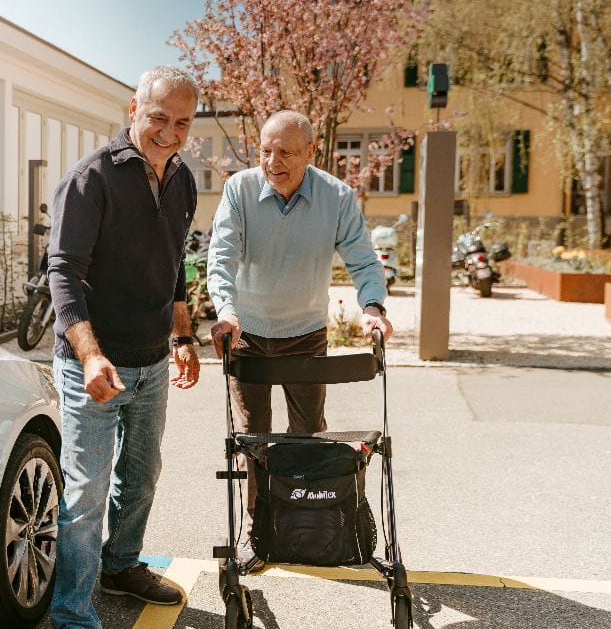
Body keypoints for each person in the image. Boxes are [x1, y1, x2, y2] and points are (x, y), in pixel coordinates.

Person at [48, 66, 201, 629]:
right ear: (132, 109)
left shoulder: (181, 179)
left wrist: (183, 335)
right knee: (86, 492)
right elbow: (61, 272)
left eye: (182, 123)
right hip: (94, 363)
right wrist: (89, 354)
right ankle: (71, 615)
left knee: (142, 474)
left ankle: (121, 565)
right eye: (159, 118)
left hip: (152, 359)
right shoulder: (92, 179)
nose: (169, 132)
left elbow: (173, 265)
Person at [207, 110, 393, 574]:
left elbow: (364, 262)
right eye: (266, 150)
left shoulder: (336, 196)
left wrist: (373, 308)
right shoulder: (240, 190)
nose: (273, 161)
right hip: (246, 333)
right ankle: (262, 528)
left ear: (311, 153)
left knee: (308, 433)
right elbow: (222, 257)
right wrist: (226, 311)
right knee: (254, 439)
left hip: (305, 335)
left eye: (286, 152)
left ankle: (309, 523)